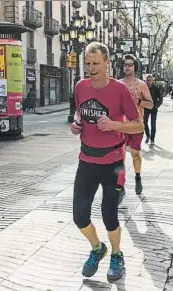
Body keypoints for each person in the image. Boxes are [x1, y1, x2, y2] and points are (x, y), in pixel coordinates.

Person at [70, 42, 144, 282]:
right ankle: (96, 248)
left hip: (113, 163)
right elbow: (78, 112)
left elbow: (138, 124)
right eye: (87, 64)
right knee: (80, 216)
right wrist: (75, 123)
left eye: (95, 63)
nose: (90, 68)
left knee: (109, 215)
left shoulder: (120, 90)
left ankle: (116, 254)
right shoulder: (80, 86)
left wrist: (114, 125)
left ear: (107, 63)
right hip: (86, 160)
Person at [120, 54, 153, 195]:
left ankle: (138, 177)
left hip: (136, 125)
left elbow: (151, 105)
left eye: (130, 64)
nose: (127, 67)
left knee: (135, 154)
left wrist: (138, 101)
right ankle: (120, 185)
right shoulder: (118, 84)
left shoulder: (141, 85)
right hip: (120, 125)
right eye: (125, 64)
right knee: (119, 156)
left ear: (135, 67)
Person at [144, 74, 162, 145]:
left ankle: (152, 139)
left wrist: (157, 106)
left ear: (152, 80)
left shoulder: (156, 88)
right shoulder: (144, 87)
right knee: (144, 123)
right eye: (147, 80)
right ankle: (148, 136)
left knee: (153, 124)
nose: (148, 82)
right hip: (146, 108)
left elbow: (160, 98)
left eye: (149, 80)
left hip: (153, 109)